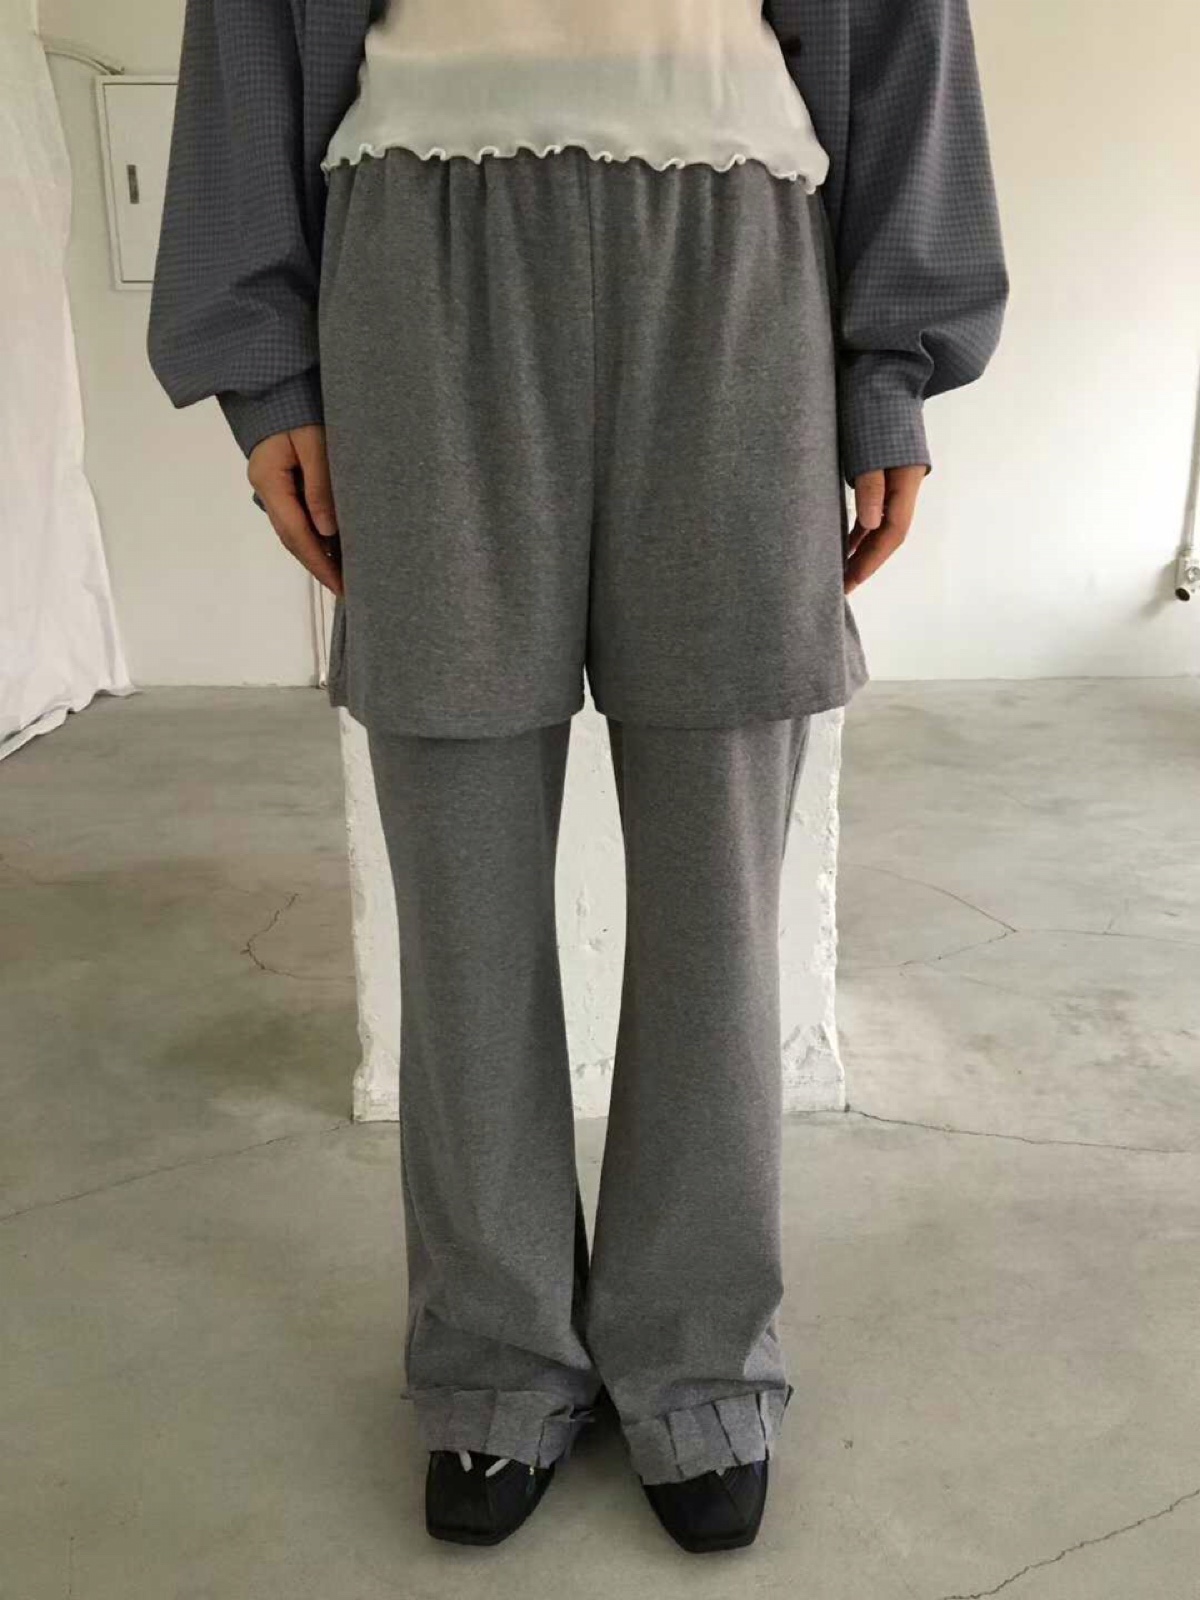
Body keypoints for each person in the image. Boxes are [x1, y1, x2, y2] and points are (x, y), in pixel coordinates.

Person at [148, 0, 1008, 1556]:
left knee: (717, 887)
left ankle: (698, 1359)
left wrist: (890, 370)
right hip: (420, 255)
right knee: (460, 876)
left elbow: (899, 31)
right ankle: (493, 1361)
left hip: (739, 257)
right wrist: (266, 372)